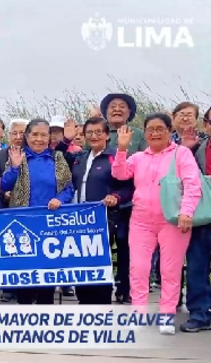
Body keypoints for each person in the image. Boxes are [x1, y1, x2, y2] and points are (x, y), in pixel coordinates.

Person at [111, 113, 201, 335]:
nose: (155, 133)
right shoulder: (139, 157)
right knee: (139, 268)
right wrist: (122, 149)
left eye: (160, 128)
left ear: (170, 131)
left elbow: (192, 184)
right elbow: (120, 173)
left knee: (170, 269)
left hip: (173, 219)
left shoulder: (181, 154)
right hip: (141, 220)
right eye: (150, 129)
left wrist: (186, 212)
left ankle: (166, 315)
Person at [57, 117, 134, 304]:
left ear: (107, 135)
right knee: (83, 263)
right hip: (80, 220)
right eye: (89, 133)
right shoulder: (79, 158)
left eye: (98, 132)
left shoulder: (117, 155)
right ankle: (84, 302)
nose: (94, 136)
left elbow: (130, 187)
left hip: (106, 218)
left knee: (100, 262)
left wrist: (116, 197)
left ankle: (102, 305)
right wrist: (65, 141)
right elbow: (56, 158)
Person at [0, 118, 75, 305]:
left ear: (49, 137)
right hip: (23, 222)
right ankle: (25, 313)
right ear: (27, 136)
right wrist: (15, 167)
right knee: (24, 273)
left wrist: (60, 199)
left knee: (47, 274)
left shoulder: (57, 158)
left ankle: (45, 313)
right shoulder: (18, 156)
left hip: (50, 223)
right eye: (35, 134)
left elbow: (68, 188)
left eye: (43, 135)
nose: (39, 139)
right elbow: (4, 185)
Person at [101, 92, 147, 304]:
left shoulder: (139, 135)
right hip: (101, 201)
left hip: (132, 200)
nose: (117, 109)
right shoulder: (97, 131)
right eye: (112, 106)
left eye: (122, 106)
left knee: (128, 246)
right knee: (101, 246)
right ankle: (101, 288)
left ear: (130, 112)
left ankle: (125, 288)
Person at [180, 105, 211, 332]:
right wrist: (188, 150)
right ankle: (200, 313)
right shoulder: (199, 148)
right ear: (206, 124)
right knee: (196, 266)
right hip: (202, 216)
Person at [0, 118, 30, 303]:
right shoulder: (0, 155)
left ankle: (26, 288)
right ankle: (8, 288)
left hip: (28, 209)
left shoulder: (34, 153)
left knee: (26, 247)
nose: (18, 137)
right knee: (8, 247)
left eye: (22, 133)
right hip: (6, 208)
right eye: (14, 133)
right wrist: (3, 191)